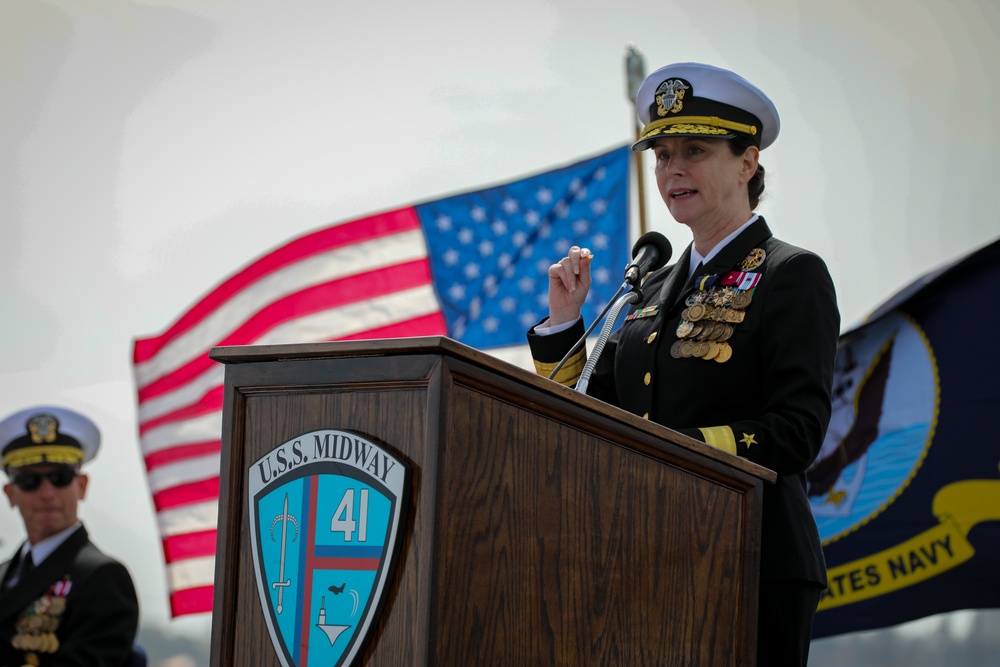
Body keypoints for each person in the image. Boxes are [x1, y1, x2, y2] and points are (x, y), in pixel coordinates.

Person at [527, 62, 839, 666]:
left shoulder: (789, 274)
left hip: (751, 558)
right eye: (662, 156)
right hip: (644, 552)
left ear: (748, 163)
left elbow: (796, 434)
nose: (672, 170)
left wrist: (670, 449)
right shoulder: (644, 290)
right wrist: (565, 323)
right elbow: (593, 419)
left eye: (693, 150)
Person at [0, 406, 140, 667]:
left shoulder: (104, 577)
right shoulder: (4, 573)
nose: (47, 493)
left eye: (60, 477)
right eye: (29, 481)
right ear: (10, 493)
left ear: (82, 486)